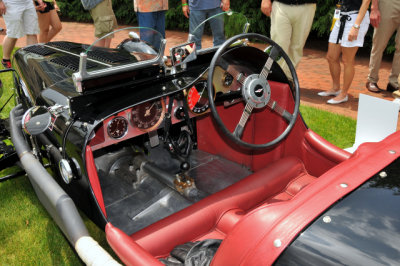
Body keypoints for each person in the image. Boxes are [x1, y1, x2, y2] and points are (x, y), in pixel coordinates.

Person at [318, 0, 371, 104]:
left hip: (355, 19)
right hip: (341, 16)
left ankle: (343, 94)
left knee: (347, 60)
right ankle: (335, 88)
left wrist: (356, 26)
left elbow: (366, 2)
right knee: (331, 57)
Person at [260, 0, 316, 71]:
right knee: (278, 46)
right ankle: (272, 76)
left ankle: (288, 80)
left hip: (307, 7)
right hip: (281, 5)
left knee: (296, 50)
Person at [365, 0, 400, 94]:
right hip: (388, 3)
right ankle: (372, 79)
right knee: (379, 44)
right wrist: (374, 8)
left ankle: (394, 82)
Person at [0, 0, 45, 69]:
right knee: (13, 34)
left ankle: (32, 59)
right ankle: (5, 59)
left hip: (28, 2)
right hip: (10, 3)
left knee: (32, 32)